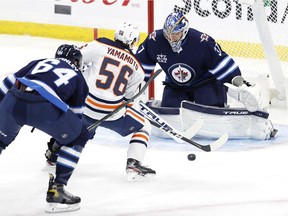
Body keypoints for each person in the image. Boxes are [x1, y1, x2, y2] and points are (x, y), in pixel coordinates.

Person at [134, 11, 277, 140]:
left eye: (175, 34)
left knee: (213, 115)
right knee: (170, 113)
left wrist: (240, 83)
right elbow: (139, 66)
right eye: (168, 34)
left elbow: (223, 65)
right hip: (175, 85)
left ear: (184, 31)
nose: (171, 38)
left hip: (205, 83)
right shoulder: (155, 40)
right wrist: (132, 89)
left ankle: (234, 96)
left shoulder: (202, 42)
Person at [45, 21, 156, 181]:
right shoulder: (137, 67)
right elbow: (127, 98)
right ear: (133, 41)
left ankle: (53, 153)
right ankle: (134, 162)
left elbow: (74, 60)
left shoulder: (99, 45)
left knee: (80, 131)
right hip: (111, 112)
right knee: (144, 126)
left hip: (84, 105)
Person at [0, 44, 89, 213]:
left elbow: (7, 82)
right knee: (80, 135)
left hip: (14, 101)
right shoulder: (79, 78)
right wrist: (60, 144)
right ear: (77, 61)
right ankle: (58, 189)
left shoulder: (40, 61)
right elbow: (75, 120)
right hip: (44, 109)